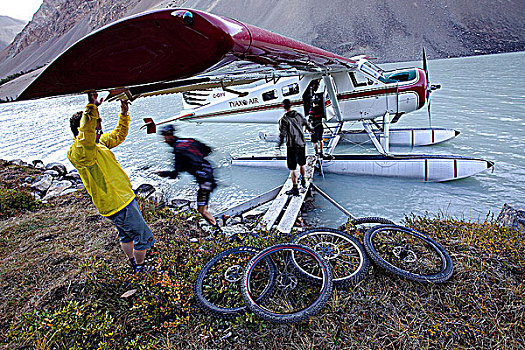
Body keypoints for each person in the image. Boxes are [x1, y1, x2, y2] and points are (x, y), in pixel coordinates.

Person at [68, 92, 155, 273]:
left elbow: (118, 135)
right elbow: (86, 136)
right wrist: (91, 109)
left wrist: (123, 114)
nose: (100, 125)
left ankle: (133, 261)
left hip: (121, 198)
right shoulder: (80, 152)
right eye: (96, 123)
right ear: (83, 128)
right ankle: (140, 268)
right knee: (143, 236)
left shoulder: (98, 144)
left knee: (125, 234)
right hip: (118, 203)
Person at [156, 125, 219, 229]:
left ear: (169, 136)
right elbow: (208, 150)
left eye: (164, 137)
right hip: (209, 173)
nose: (164, 140)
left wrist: (161, 173)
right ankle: (216, 222)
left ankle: (218, 230)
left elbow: (175, 174)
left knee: (201, 210)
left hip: (205, 181)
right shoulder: (188, 141)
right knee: (203, 203)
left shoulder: (178, 150)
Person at [277, 99, 313, 196]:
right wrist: (310, 130)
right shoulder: (298, 115)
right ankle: (303, 180)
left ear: (284, 107)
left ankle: (295, 188)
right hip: (301, 143)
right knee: (302, 164)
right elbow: (305, 123)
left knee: (292, 168)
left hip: (292, 145)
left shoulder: (284, 119)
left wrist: (279, 145)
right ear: (290, 105)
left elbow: (282, 134)